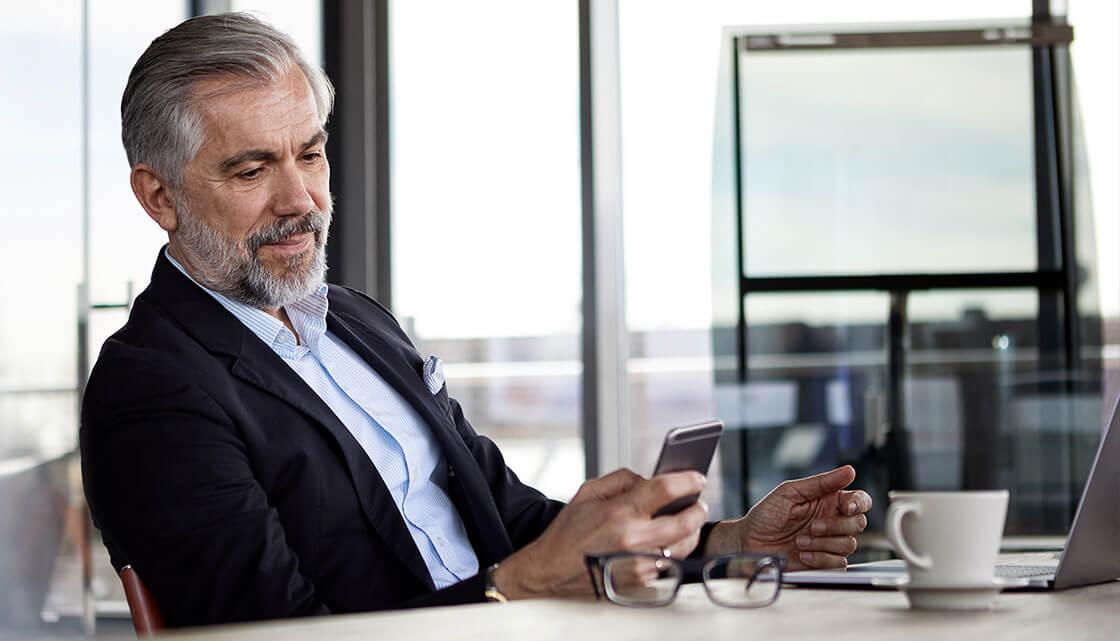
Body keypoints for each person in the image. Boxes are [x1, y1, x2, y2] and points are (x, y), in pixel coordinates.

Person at [80, 13, 872, 628]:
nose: (302, 201)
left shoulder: (357, 323)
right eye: (254, 168)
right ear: (159, 197)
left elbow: (511, 515)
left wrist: (729, 547)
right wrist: (517, 590)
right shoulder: (151, 388)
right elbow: (279, 633)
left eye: (311, 154)